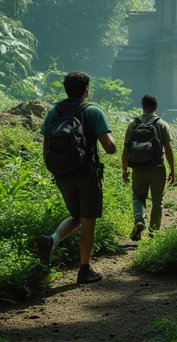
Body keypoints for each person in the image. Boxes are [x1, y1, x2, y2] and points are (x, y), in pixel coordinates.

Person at [37, 72, 117, 284]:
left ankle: (52, 241)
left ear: (66, 89)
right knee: (88, 221)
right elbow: (110, 148)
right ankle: (84, 269)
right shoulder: (93, 111)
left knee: (77, 216)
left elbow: (46, 145)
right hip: (87, 174)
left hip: (62, 174)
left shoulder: (54, 111)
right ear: (86, 89)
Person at [122, 95, 175, 240]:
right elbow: (168, 148)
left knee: (138, 196)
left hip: (138, 169)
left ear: (142, 106)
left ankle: (139, 220)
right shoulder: (162, 124)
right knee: (158, 200)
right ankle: (154, 233)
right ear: (156, 107)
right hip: (158, 168)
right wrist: (172, 169)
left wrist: (125, 169)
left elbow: (126, 149)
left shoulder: (133, 124)